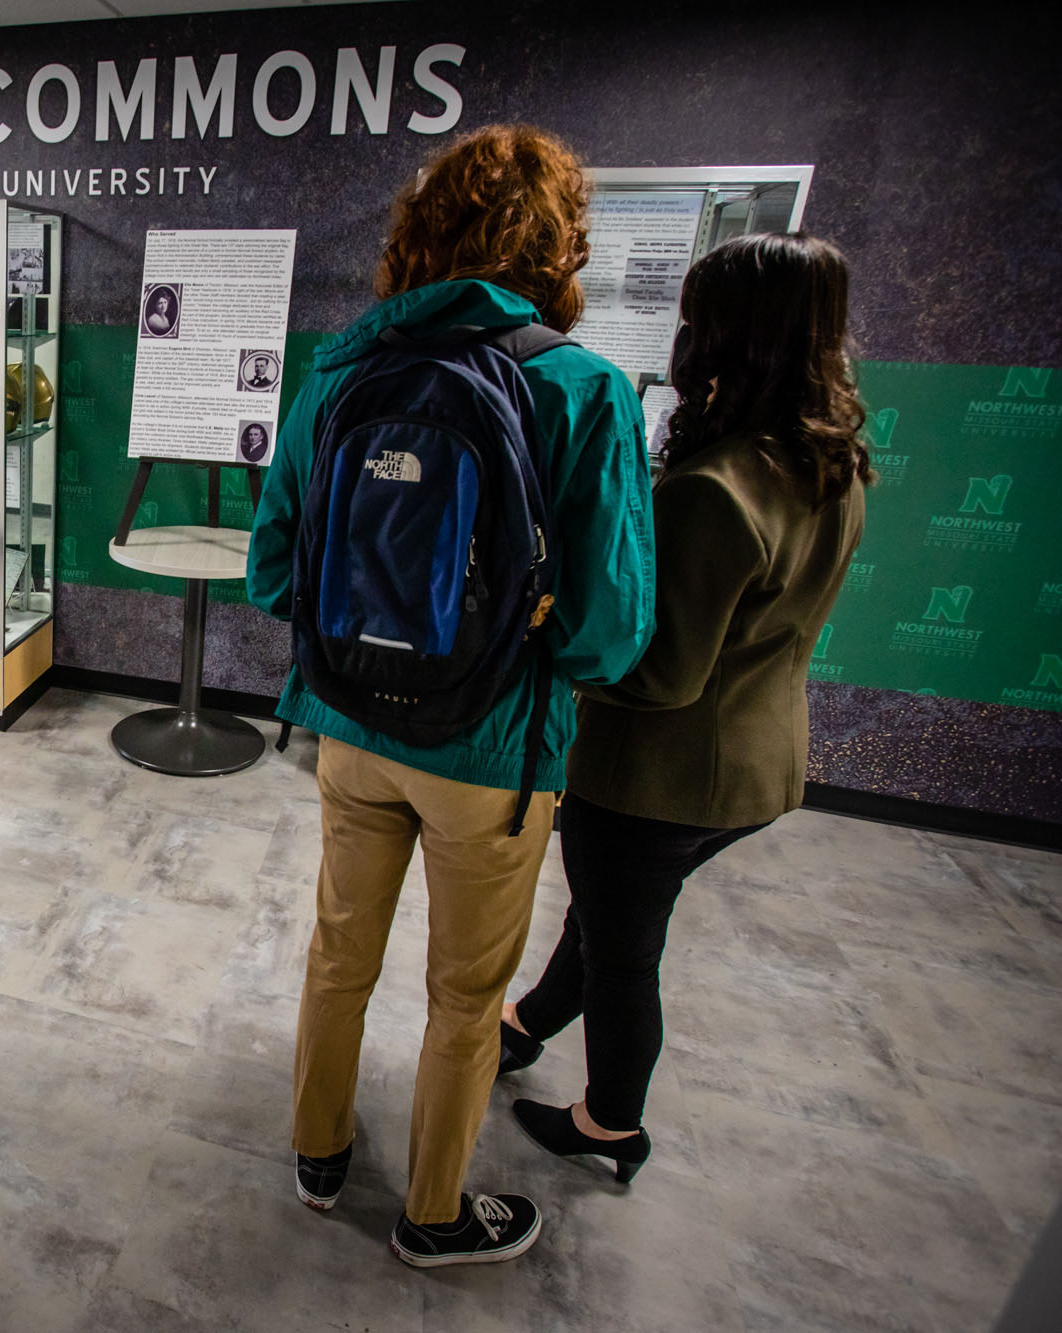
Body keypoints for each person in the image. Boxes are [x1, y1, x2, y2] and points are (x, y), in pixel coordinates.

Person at [245, 124, 655, 1266]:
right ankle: (431, 1216)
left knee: (338, 952)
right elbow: (606, 636)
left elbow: (272, 569)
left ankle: (318, 1156)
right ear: (558, 244)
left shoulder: (339, 368)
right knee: (465, 1000)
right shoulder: (583, 389)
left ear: (417, 234)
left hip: (344, 728)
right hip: (492, 756)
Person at [499, 233, 872, 1181]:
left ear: (729, 335)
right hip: (755, 762)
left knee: (625, 949)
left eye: (695, 316)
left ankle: (611, 1122)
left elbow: (660, 673)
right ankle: (529, 1022)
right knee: (611, 914)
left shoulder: (713, 489)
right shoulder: (828, 464)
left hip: (657, 776)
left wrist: (549, 648)